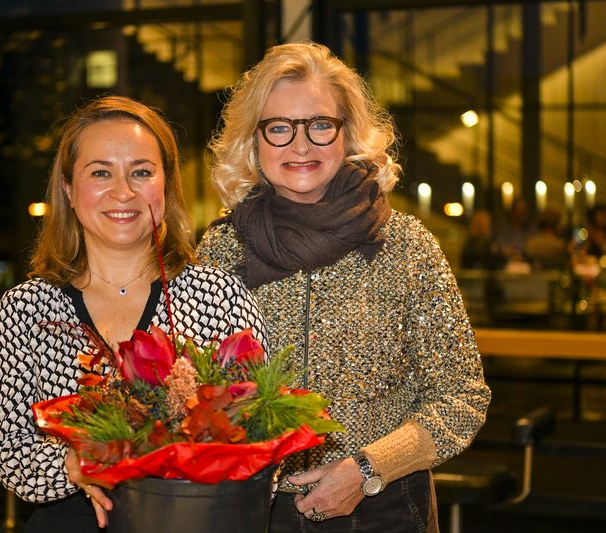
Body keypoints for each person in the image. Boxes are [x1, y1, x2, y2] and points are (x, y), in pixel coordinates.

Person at [197, 42, 490, 532]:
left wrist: (369, 468)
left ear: (347, 133)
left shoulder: (404, 245)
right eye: (279, 127)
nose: (300, 146)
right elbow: (195, 392)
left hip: (383, 507)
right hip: (254, 511)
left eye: (319, 124)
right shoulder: (223, 248)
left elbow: (462, 397)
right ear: (254, 141)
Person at [0, 96, 267, 532]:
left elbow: (262, 432)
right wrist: (74, 464)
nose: (123, 191)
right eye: (101, 172)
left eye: (141, 172)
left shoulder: (219, 295)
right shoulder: (24, 309)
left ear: (165, 186)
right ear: (68, 189)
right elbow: (11, 454)